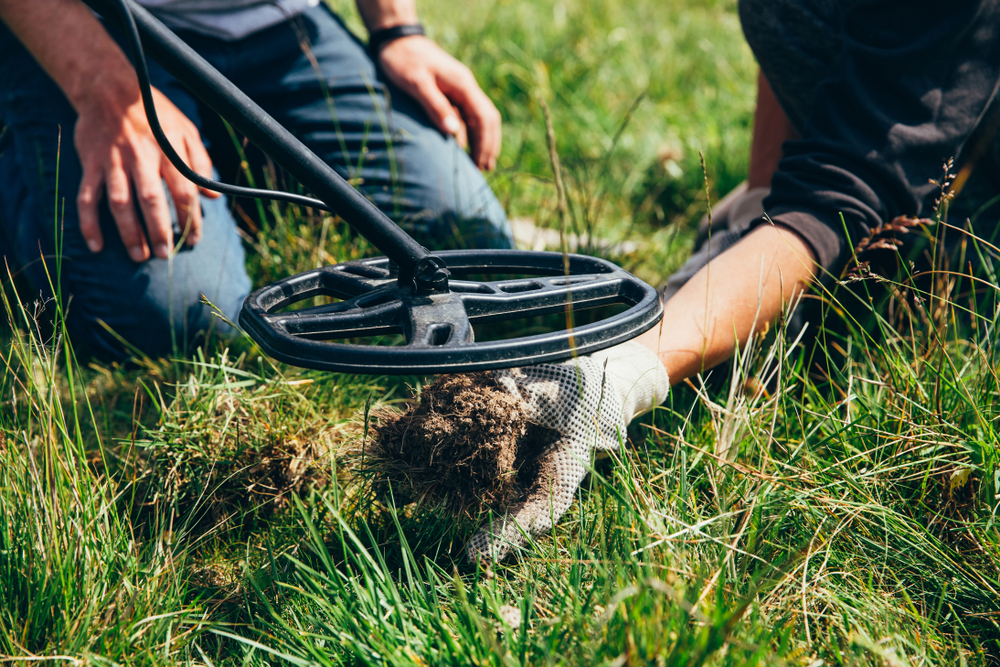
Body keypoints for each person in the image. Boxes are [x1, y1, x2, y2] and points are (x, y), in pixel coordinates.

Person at [465, 0, 1000, 561]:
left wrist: (622, 371)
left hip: (968, 225)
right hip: (892, 131)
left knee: (885, 288)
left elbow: (839, 198)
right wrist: (757, 202)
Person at [0, 0, 512, 361]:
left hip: (285, 26)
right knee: (185, 321)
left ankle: (225, 161)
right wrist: (104, 88)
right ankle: (29, 169)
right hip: (98, 23)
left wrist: (397, 30)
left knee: (473, 243)